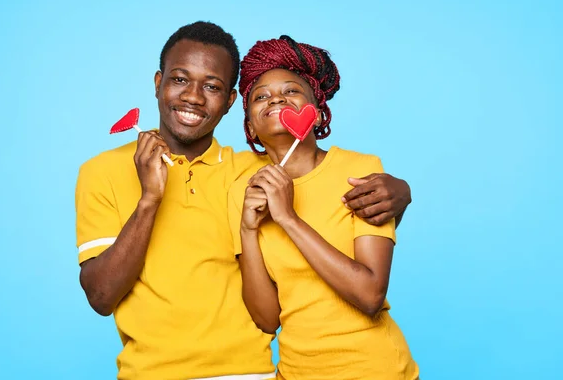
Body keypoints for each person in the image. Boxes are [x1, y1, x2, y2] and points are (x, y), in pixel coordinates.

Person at [75, 21, 412, 380]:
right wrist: (149, 199)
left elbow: (321, 180)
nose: (193, 96)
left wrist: (400, 192)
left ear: (231, 102)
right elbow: (101, 296)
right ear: (158, 83)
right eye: (179, 79)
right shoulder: (102, 171)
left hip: (255, 374)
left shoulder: (251, 174)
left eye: (212, 86)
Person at [229, 35, 419, 380]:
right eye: (261, 96)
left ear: (316, 115)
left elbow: (370, 294)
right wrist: (247, 229)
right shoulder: (242, 190)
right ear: (251, 125)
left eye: (291, 91)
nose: (275, 98)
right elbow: (267, 320)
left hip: (375, 369)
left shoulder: (359, 171)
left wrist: (287, 218)